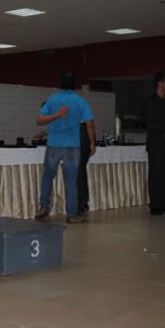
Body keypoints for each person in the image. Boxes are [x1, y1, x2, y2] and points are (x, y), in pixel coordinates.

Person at [35, 73, 95, 223]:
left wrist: (56, 115)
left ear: (60, 84)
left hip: (54, 144)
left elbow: (39, 120)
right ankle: (72, 215)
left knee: (48, 176)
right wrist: (92, 144)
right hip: (73, 145)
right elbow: (89, 125)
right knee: (71, 180)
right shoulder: (81, 101)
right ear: (74, 85)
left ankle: (43, 207)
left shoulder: (52, 99)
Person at [143, 71, 165, 215]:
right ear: (160, 83)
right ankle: (155, 205)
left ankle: (163, 203)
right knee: (155, 175)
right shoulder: (150, 101)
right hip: (156, 144)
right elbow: (149, 122)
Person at [77, 120, 96, 214]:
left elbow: (89, 125)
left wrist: (92, 143)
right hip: (77, 134)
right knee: (79, 172)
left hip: (80, 134)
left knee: (80, 172)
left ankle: (81, 203)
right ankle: (82, 202)